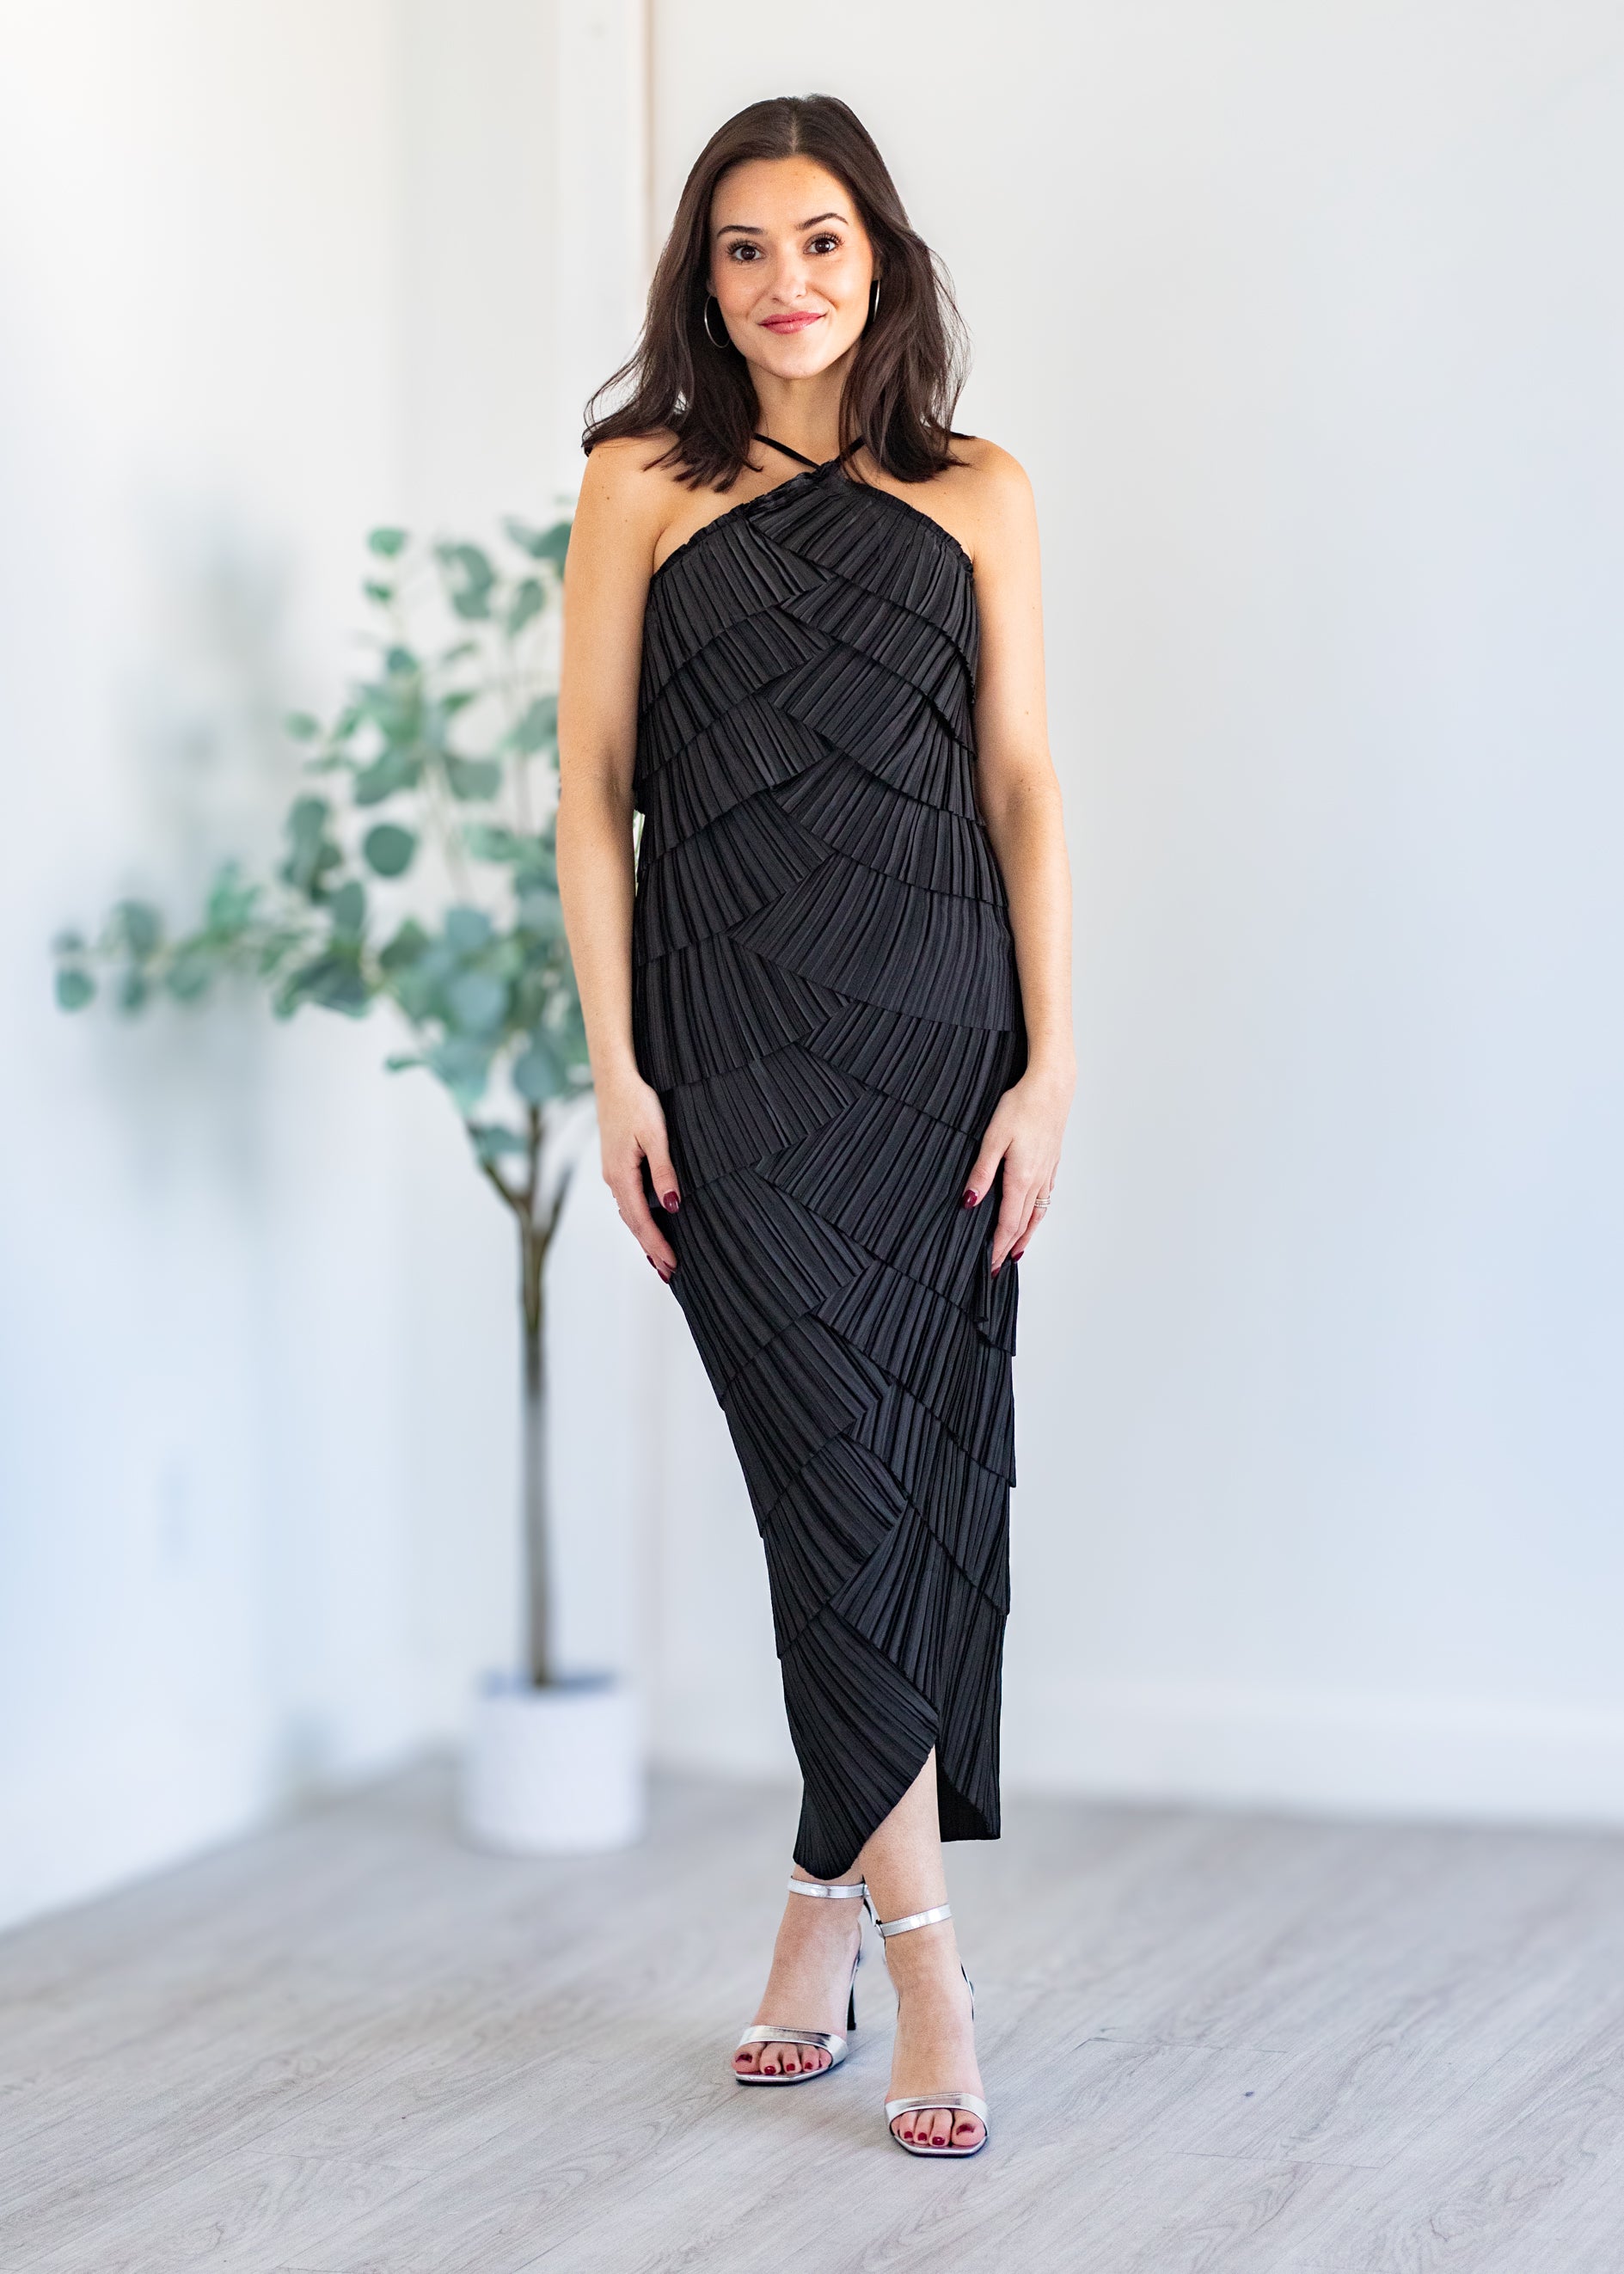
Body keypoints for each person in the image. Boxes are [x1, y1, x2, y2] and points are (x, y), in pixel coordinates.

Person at [557, 92, 1073, 2160]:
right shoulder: (634, 484)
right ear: (704, 273)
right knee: (830, 1475)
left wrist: (1054, 1062)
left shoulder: (983, 491)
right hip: (733, 1041)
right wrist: (615, 1064)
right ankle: (930, 1962)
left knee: (894, 1479)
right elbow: (594, 791)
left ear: (884, 261)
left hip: (944, 1034)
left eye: (825, 243)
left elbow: (1024, 782)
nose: (788, 284)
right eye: (748, 247)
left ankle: (813, 1921)